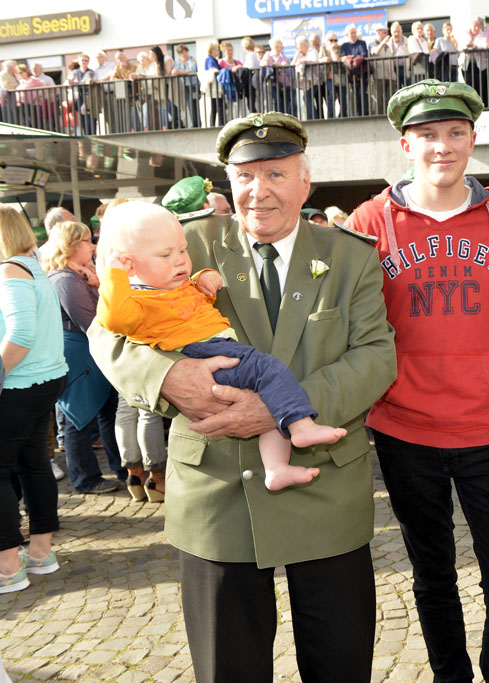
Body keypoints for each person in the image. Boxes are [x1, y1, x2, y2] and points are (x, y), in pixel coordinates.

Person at [87, 111, 396, 680]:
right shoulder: (186, 242)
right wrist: (165, 378)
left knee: (340, 664)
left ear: (305, 181)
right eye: (245, 176)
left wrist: (277, 406)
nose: (259, 190)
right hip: (218, 492)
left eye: (276, 173)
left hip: (324, 487)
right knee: (228, 669)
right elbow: (105, 334)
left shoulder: (351, 256)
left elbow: (376, 356)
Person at [349, 78, 489, 683]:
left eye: (455, 132)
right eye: (428, 134)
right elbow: (347, 321)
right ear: (406, 144)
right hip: (404, 431)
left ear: (472, 140)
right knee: (433, 576)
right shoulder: (369, 221)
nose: (443, 146)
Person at [95, 202, 344, 491]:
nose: (179, 260)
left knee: (270, 400)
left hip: (215, 349)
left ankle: (276, 467)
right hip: (206, 355)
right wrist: (115, 275)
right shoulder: (134, 297)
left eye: (183, 251)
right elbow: (111, 323)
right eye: (165, 255)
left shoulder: (169, 284)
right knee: (269, 369)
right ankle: (301, 426)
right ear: (129, 264)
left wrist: (201, 279)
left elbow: (189, 303)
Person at [0, 206, 68, 593]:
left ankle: (8, 566)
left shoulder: (11, 270)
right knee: (33, 464)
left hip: (20, 383)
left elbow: (22, 334)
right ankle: (41, 553)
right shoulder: (31, 267)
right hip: (43, 379)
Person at [43, 221, 125, 494]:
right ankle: (85, 479)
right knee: (78, 418)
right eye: (87, 240)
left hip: (89, 351)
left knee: (104, 412)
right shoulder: (65, 279)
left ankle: (121, 468)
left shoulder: (75, 274)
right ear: (71, 245)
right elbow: (89, 321)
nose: (92, 245)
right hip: (80, 354)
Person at [339, 24, 370, 117]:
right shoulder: (344, 46)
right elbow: (343, 58)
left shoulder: (362, 43)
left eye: (354, 32)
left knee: (362, 93)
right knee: (356, 95)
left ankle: (365, 114)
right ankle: (359, 114)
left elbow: (363, 54)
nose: (353, 34)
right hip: (352, 75)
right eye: (351, 33)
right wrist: (354, 58)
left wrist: (351, 57)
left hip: (362, 73)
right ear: (347, 34)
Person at [462, 18, 489, 104]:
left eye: (479, 26)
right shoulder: (465, 33)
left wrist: (474, 46)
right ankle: (471, 105)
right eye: (475, 26)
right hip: (467, 65)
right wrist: (466, 46)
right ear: (471, 25)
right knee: (469, 87)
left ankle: (480, 105)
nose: (477, 28)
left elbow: (484, 45)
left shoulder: (483, 34)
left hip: (480, 65)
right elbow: (460, 45)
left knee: (480, 87)